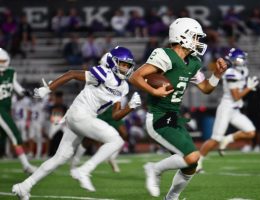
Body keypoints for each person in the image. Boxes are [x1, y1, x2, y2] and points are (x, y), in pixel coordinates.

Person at [12, 46, 142, 199]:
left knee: (61, 157)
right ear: (113, 62)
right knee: (116, 140)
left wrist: (130, 107)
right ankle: (84, 170)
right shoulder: (105, 73)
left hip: (85, 117)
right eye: (123, 64)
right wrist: (47, 90)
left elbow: (115, 115)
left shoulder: (124, 87)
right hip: (80, 113)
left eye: (128, 65)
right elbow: (72, 74)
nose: (125, 68)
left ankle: (24, 186)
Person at [129, 18, 227, 199]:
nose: (199, 41)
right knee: (192, 156)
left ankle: (171, 198)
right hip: (158, 117)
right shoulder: (165, 55)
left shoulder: (193, 62)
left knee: (192, 165)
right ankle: (154, 168)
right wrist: (153, 91)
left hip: (174, 118)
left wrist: (217, 75)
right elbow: (135, 77)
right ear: (183, 36)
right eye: (196, 37)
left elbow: (206, 88)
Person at [196, 48, 259, 172]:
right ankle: (197, 161)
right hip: (226, 108)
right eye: (241, 59)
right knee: (215, 139)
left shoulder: (243, 70)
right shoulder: (230, 73)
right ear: (235, 60)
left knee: (251, 132)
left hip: (235, 110)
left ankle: (227, 139)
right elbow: (236, 97)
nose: (243, 61)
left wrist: (246, 87)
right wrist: (249, 88)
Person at [0, 48, 36, 173]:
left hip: (5, 108)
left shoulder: (11, 72)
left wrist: (28, 93)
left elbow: (17, 87)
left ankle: (26, 165)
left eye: (4, 60)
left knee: (2, 139)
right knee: (15, 134)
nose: (2, 63)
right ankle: (26, 165)